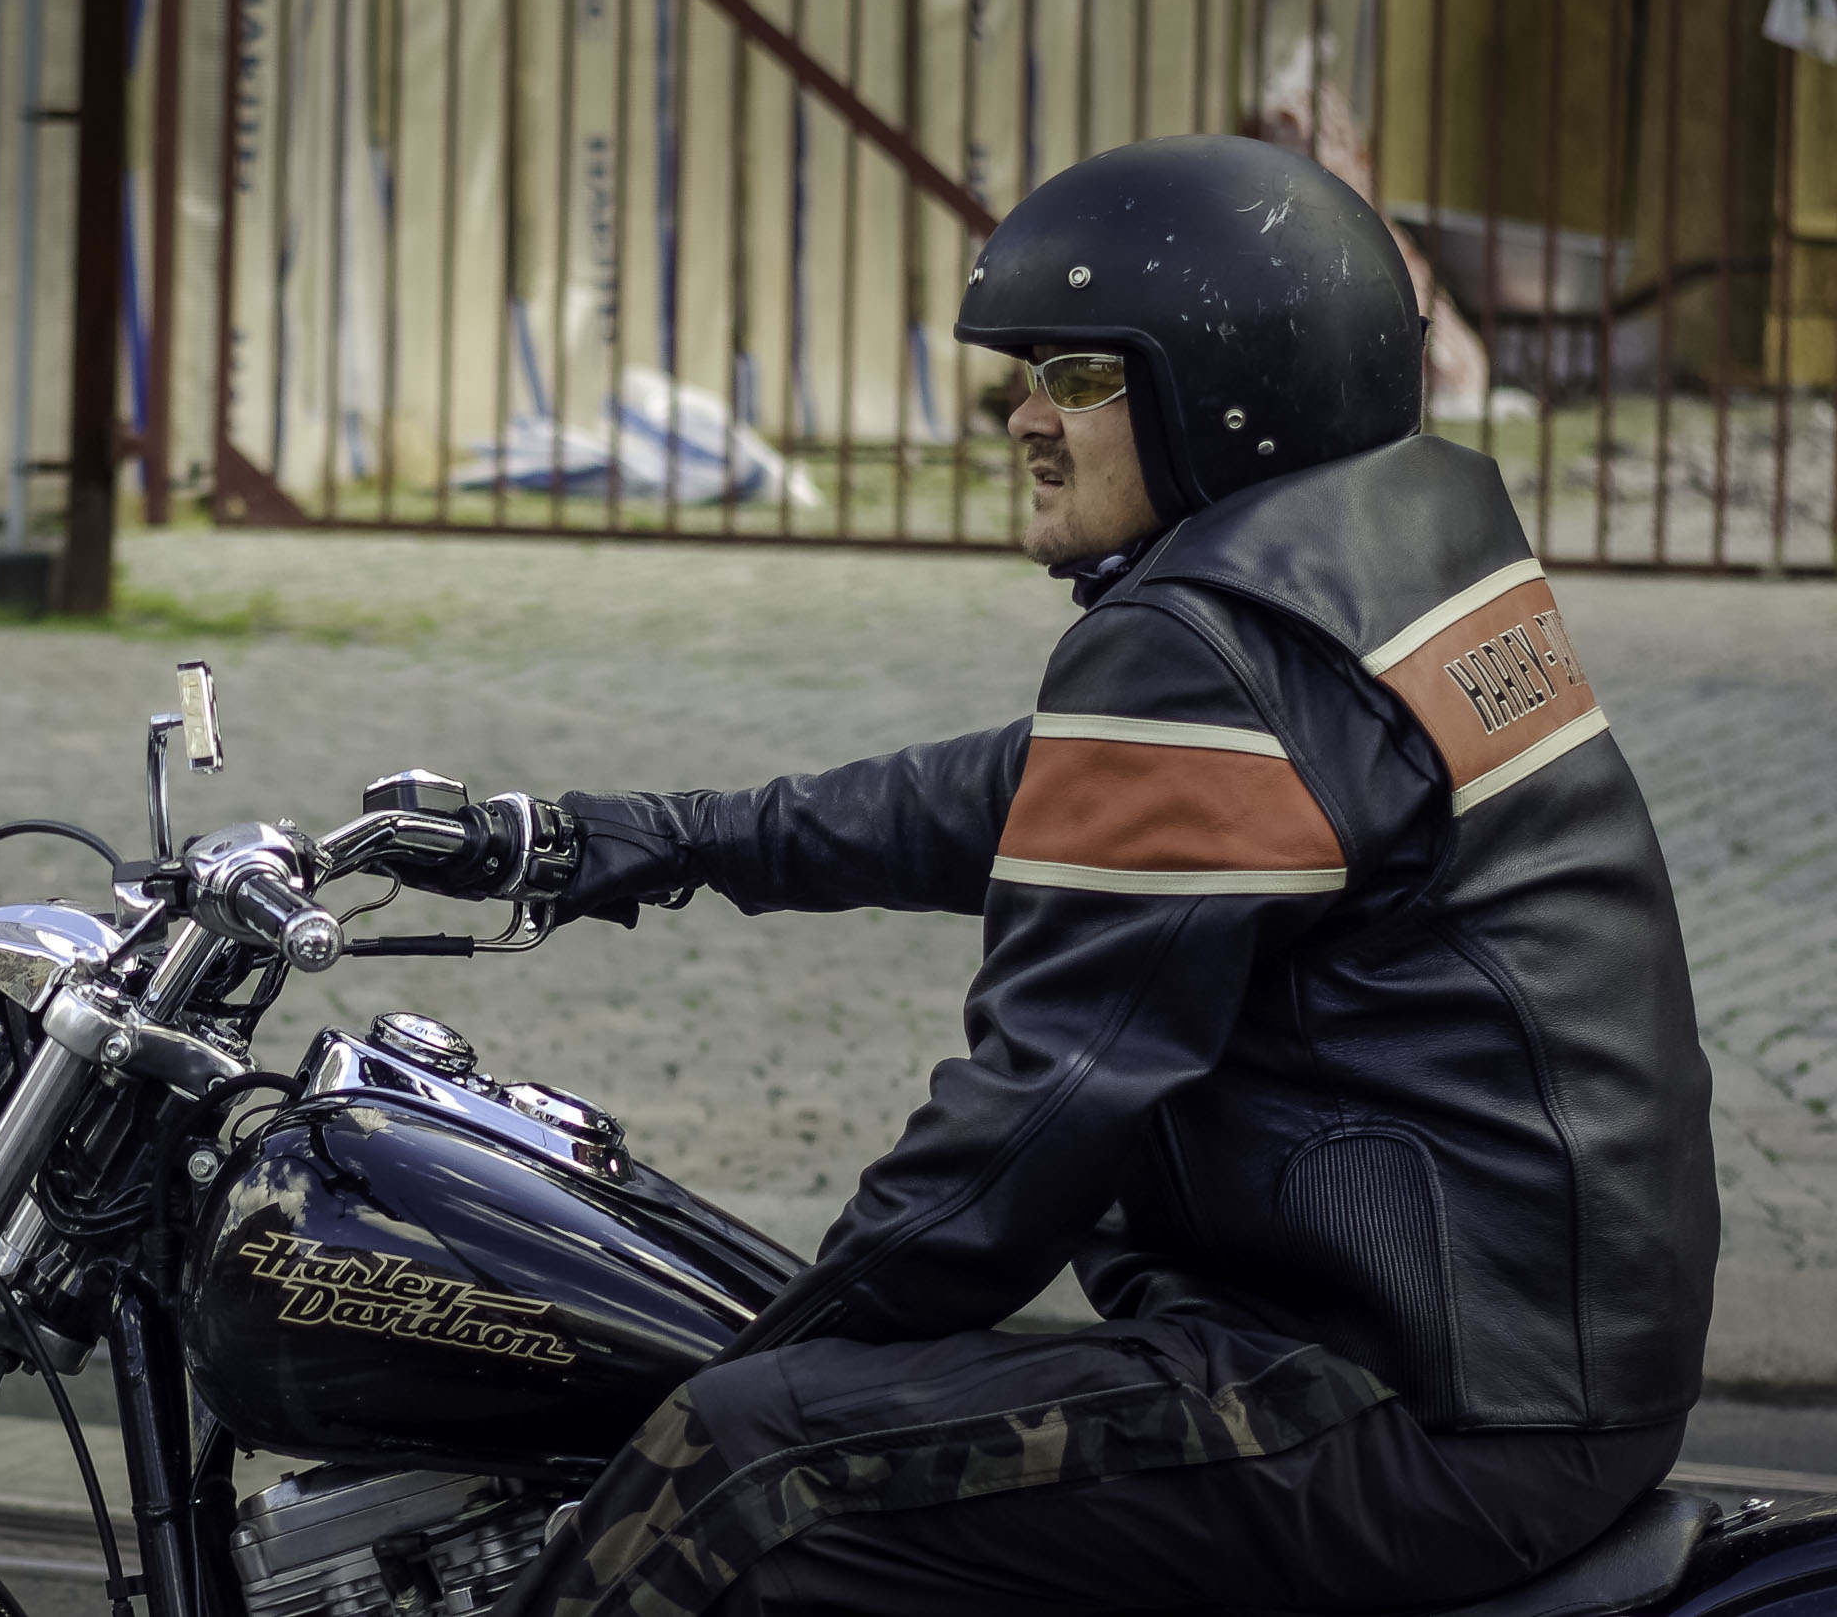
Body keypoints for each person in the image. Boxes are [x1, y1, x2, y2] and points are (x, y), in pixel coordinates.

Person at [441, 135, 1718, 1617]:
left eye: (1082, 376)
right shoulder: (1374, 555)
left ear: (1231, 391)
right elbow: (1029, 790)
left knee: (740, 1456)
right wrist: (651, 837)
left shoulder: (1210, 650)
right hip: (1532, 1361)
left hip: (1412, 1403)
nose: (1025, 416)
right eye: (1024, 373)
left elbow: (1035, 1117)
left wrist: (734, 1383)